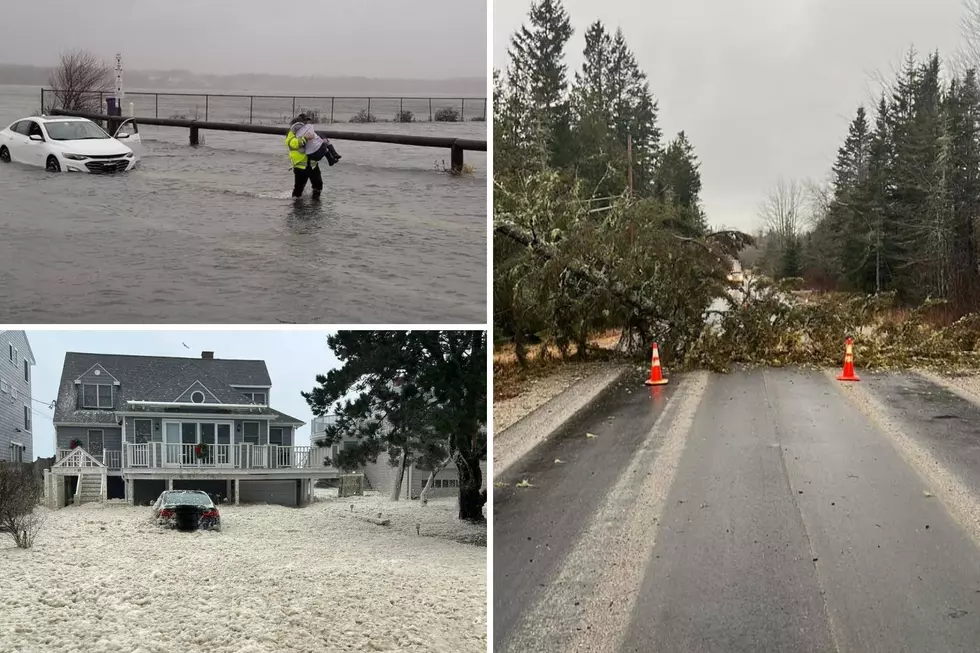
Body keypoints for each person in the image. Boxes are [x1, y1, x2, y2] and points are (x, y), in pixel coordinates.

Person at [285, 120, 323, 199]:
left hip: (313, 164)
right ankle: (296, 206)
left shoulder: (309, 131)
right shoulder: (291, 135)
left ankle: (315, 202)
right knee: (298, 189)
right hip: (300, 167)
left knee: (318, 184)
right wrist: (305, 138)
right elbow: (294, 143)